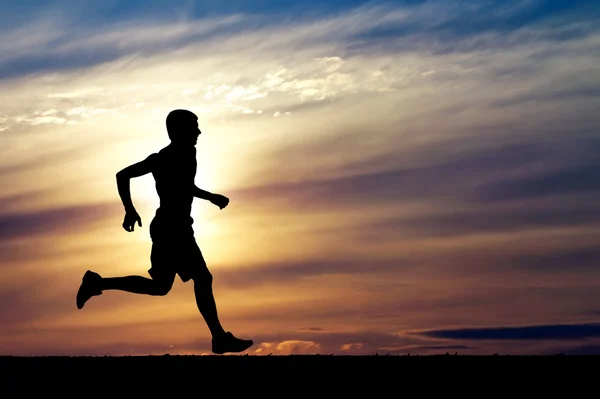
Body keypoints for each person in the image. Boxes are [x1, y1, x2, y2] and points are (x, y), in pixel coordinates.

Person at [75, 109, 253, 355]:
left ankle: (98, 282)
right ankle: (219, 338)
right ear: (180, 130)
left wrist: (209, 196)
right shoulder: (163, 158)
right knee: (202, 278)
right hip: (173, 229)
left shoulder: (179, 155)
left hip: (170, 227)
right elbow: (123, 175)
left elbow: (182, 186)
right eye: (194, 127)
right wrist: (129, 209)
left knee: (160, 286)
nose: (199, 132)